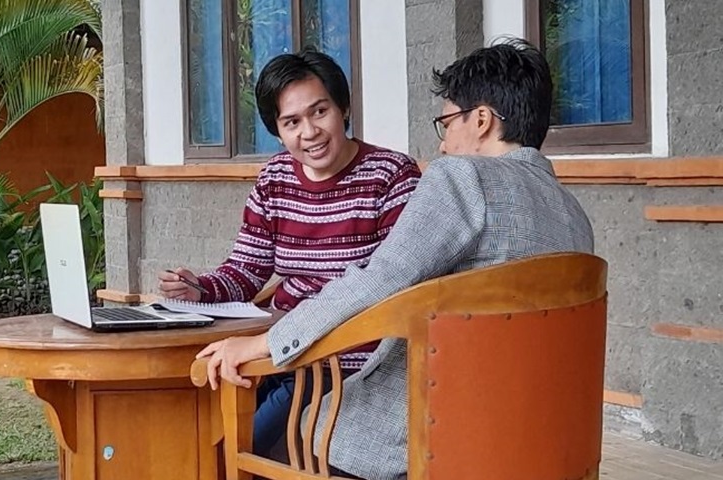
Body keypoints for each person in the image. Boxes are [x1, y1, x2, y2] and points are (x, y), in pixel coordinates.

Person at [194, 37, 595, 480]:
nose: (442, 146)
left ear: (480, 121)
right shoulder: (572, 213)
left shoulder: (462, 178)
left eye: (446, 124)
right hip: (534, 433)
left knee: (283, 431)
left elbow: (382, 278)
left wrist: (264, 344)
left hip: (428, 429)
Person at [157, 48, 422, 457]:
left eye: (320, 112)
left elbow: (392, 284)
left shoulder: (391, 175)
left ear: (344, 108)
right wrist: (201, 288)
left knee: (225, 452)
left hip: (342, 360)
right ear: (278, 131)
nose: (310, 132)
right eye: (292, 122)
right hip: (276, 348)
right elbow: (247, 269)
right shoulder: (275, 178)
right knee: (187, 422)